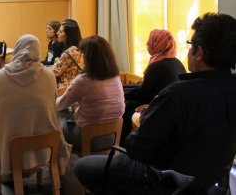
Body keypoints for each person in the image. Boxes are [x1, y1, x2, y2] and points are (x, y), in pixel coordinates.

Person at [74, 12, 236, 194]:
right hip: (205, 180)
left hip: (161, 179)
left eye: (190, 45)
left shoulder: (177, 94)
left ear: (200, 53)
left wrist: (148, 118)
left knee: (82, 166)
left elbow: (137, 148)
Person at [0, 34, 72, 182]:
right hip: (45, 146)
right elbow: (53, 103)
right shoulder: (49, 76)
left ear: (17, 50)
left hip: (10, 146)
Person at [56, 35, 124, 152]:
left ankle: (59, 157)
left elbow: (59, 105)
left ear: (89, 57)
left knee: (61, 112)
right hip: (111, 137)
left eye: (83, 54)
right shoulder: (115, 77)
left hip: (87, 138)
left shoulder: (83, 80)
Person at [120, 29, 186, 145]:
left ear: (157, 44)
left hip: (157, 106)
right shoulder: (176, 62)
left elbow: (142, 94)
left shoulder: (156, 66)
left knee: (125, 105)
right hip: (171, 108)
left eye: (150, 40)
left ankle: (123, 143)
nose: (146, 44)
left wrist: (122, 94)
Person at [47, 19, 84, 89]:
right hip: (78, 87)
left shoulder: (69, 52)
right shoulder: (79, 49)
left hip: (66, 89)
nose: (57, 33)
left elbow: (54, 72)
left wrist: (40, 69)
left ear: (68, 35)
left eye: (60, 32)